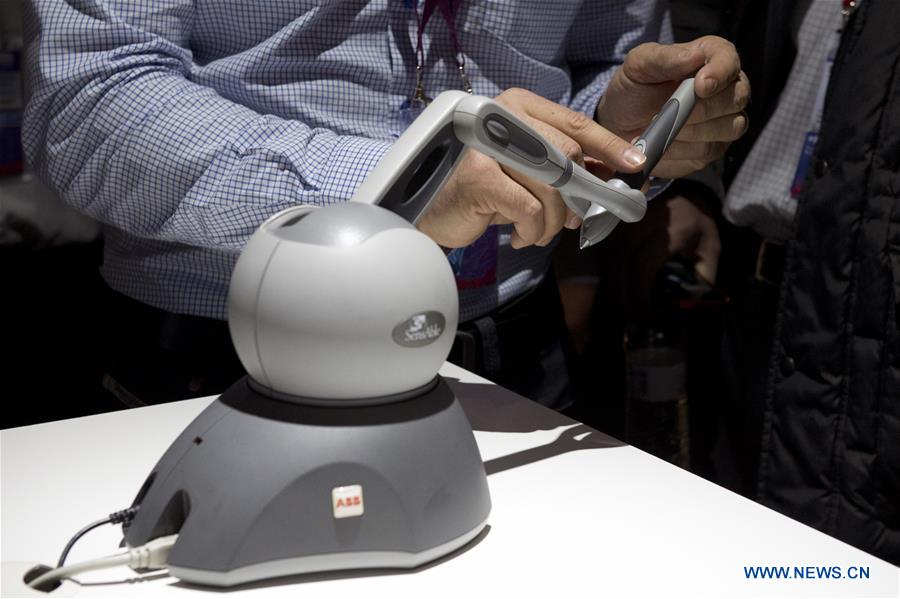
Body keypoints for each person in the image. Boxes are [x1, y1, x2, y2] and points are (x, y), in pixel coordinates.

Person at [22, 0, 747, 414]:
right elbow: (87, 103)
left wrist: (611, 128)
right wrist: (407, 182)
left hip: (519, 359)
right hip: (228, 361)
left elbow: (603, 55)